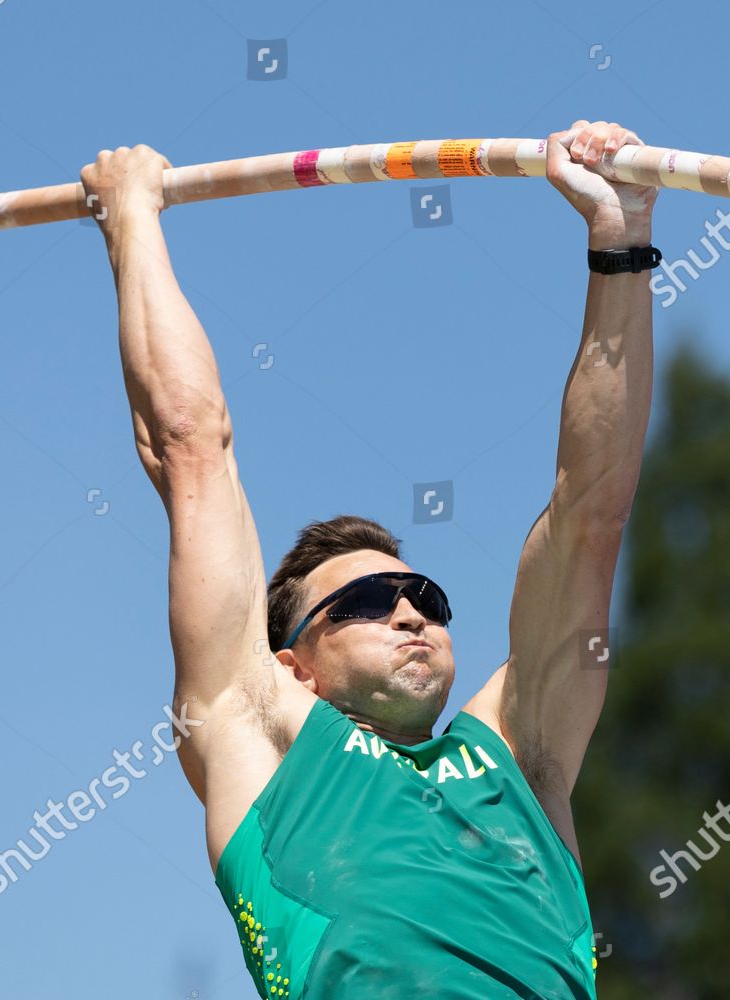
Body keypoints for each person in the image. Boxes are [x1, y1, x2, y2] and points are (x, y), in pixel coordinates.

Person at [81, 119, 659, 998]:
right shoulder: (257, 733)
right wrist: (133, 223)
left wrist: (619, 238)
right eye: (362, 604)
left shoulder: (518, 754)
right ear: (294, 667)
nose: (408, 611)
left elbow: (590, 513)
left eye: (419, 592)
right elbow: (189, 445)